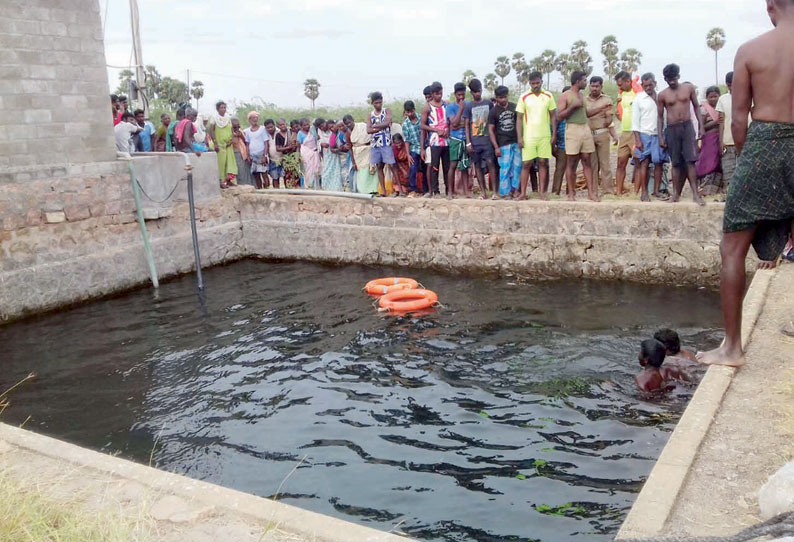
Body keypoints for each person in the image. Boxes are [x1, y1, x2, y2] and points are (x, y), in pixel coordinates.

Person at [698, 0, 794, 366]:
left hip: (766, 142)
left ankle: (732, 348)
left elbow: (738, 121)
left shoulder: (752, 50)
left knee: (733, 247)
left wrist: (748, 163)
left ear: (770, 5)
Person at [657, 64, 706, 206]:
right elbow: (660, 117)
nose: (671, 81)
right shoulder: (663, 95)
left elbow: (697, 107)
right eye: (668, 79)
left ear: (678, 76)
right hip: (672, 129)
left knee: (690, 161)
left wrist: (701, 127)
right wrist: (660, 136)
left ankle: (695, 195)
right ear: (665, 79)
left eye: (673, 78)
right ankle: (675, 195)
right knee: (676, 163)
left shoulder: (688, 89)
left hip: (687, 127)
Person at [557, 71, 599, 202]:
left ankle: (591, 193)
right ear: (577, 81)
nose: (586, 83)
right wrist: (572, 107)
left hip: (584, 128)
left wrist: (602, 108)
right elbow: (559, 116)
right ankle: (571, 194)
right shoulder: (565, 96)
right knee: (572, 162)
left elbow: (586, 113)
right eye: (584, 80)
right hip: (572, 128)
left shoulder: (582, 95)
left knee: (587, 160)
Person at [516, 72, 557, 200]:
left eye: (537, 83)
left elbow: (553, 116)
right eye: (533, 83)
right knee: (526, 163)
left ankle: (542, 193)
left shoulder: (548, 96)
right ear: (529, 83)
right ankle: (523, 193)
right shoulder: (524, 97)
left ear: (541, 82)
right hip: (529, 136)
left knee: (543, 162)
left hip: (544, 136)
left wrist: (554, 134)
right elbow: (519, 118)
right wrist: (520, 137)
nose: (535, 85)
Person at [632, 73, 669, 201]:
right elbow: (635, 122)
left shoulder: (661, 96)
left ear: (655, 83)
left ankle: (657, 191)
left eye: (650, 84)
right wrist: (637, 139)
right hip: (644, 135)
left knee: (658, 164)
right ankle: (644, 192)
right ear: (642, 85)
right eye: (645, 85)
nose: (648, 87)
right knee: (644, 164)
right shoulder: (639, 98)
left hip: (659, 134)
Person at [585, 76, 618, 195]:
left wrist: (607, 123)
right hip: (589, 135)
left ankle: (607, 190)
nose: (594, 88)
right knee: (592, 165)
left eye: (597, 86)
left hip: (602, 133)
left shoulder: (607, 99)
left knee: (605, 164)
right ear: (589, 86)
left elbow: (610, 116)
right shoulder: (585, 100)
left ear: (601, 87)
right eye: (592, 86)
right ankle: (593, 190)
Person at [464, 79, 496, 199]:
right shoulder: (469, 106)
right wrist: (468, 142)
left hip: (487, 141)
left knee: (490, 164)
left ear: (481, 90)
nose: (477, 94)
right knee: (477, 167)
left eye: (479, 91)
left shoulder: (488, 103)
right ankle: (483, 192)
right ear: (471, 93)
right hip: (475, 142)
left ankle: (494, 192)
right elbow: (467, 125)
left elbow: (493, 122)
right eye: (475, 92)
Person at [488, 85, 521, 199]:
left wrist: (521, 139)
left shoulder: (515, 107)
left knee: (516, 168)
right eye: (500, 98)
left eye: (505, 97)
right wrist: (496, 147)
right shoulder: (493, 112)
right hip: (502, 144)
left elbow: (520, 125)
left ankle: (515, 190)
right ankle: (505, 192)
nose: (503, 100)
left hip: (515, 142)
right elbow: (491, 130)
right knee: (505, 169)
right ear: (496, 98)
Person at [421, 82, 450, 198]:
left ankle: (449, 190)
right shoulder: (427, 107)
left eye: (441, 93)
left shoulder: (446, 104)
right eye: (437, 94)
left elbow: (450, 120)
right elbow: (422, 125)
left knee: (447, 167)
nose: (439, 96)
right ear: (432, 94)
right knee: (434, 167)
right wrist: (435, 130)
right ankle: (436, 191)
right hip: (434, 141)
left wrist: (448, 129)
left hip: (447, 140)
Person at [443, 83, 469, 198]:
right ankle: (450, 192)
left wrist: (459, 123)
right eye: (459, 95)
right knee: (452, 165)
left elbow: (468, 122)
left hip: (465, 139)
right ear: (455, 94)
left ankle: (466, 191)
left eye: (463, 95)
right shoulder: (451, 107)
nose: (461, 97)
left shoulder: (468, 104)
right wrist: (461, 109)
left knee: (464, 166)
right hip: (455, 139)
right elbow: (454, 123)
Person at [696, 87, 724, 196]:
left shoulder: (721, 108)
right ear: (707, 98)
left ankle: (716, 189)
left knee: (718, 164)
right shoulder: (704, 109)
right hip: (709, 139)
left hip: (719, 139)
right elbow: (701, 127)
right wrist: (715, 122)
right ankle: (704, 188)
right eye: (710, 97)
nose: (713, 99)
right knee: (708, 162)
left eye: (715, 96)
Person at [365, 92, 394, 196]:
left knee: (392, 166)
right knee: (379, 167)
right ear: (372, 103)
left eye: (380, 102)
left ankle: (399, 190)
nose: (379, 104)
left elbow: (387, 123)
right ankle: (383, 191)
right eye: (376, 103)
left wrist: (375, 126)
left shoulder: (387, 111)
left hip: (386, 143)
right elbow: (368, 130)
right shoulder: (370, 115)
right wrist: (381, 126)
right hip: (375, 144)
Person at [615, 72, 638, 195]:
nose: (620, 87)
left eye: (621, 84)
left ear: (628, 81)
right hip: (624, 132)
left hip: (636, 133)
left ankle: (636, 192)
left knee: (639, 163)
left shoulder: (638, 93)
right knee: (620, 162)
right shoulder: (621, 94)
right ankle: (618, 191)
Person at [208, 101, 237, 188]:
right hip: (220, 145)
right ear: (217, 109)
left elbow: (231, 130)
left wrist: (231, 140)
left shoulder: (228, 118)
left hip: (228, 145)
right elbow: (211, 130)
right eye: (221, 107)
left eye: (224, 107)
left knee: (230, 163)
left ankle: (228, 180)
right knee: (221, 164)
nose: (223, 109)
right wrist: (215, 143)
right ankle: (222, 182)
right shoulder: (214, 118)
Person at [716, 72, 737, 189]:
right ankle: (730, 195)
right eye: (729, 85)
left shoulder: (749, 96)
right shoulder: (723, 99)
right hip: (728, 142)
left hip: (745, 142)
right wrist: (720, 142)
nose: (732, 87)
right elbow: (721, 122)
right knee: (729, 172)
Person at [551, 86, 571, 195]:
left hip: (574, 144)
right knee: (559, 169)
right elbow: (552, 128)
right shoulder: (557, 111)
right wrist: (553, 147)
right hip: (562, 145)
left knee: (571, 170)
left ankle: (570, 192)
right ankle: (555, 192)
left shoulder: (577, 110)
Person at [245, 111, 271, 189]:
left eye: (256, 118)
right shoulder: (248, 131)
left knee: (264, 173)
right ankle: (260, 191)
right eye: (253, 118)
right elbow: (247, 144)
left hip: (261, 155)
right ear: (249, 119)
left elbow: (266, 143)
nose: (255, 119)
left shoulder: (262, 129)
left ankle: (267, 190)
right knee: (256, 175)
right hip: (253, 156)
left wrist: (265, 156)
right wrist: (248, 155)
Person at [402, 100, 422, 196]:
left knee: (425, 168)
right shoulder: (405, 124)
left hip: (424, 146)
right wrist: (408, 154)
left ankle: (425, 189)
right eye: (407, 112)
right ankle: (413, 189)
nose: (409, 114)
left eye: (411, 111)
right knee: (413, 168)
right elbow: (407, 140)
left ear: (414, 110)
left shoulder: (421, 118)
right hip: (414, 148)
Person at [321, 119, 344, 192]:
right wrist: (339, 149)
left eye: (332, 126)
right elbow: (332, 148)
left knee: (337, 172)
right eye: (330, 128)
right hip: (331, 156)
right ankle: (328, 187)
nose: (332, 129)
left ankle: (337, 187)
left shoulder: (341, 133)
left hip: (338, 155)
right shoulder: (333, 135)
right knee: (328, 171)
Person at [231, 118, 253, 187]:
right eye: (235, 127)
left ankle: (251, 186)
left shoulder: (241, 132)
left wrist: (241, 136)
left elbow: (246, 142)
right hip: (236, 154)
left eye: (238, 127)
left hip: (244, 153)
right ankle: (243, 186)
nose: (237, 128)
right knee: (241, 173)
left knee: (248, 172)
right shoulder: (229, 134)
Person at [336, 119, 355, 192]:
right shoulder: (340, 135)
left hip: (355, 151)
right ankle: (350, 187)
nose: (341, 128)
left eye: (342, 125)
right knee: (349, 170)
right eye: (339, 127)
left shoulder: (351, 131)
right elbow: (339, 146)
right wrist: (344, 147)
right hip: (348, 154)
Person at [264, 119, 284, 188]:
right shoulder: (265, 134)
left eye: (271, 127)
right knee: (275, 177)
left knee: (284, 176)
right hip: (272, 160)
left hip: (282, 159)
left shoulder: (280, 132)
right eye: (268, 128)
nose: (270, 129)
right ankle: (276, 192)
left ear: (274, 126)